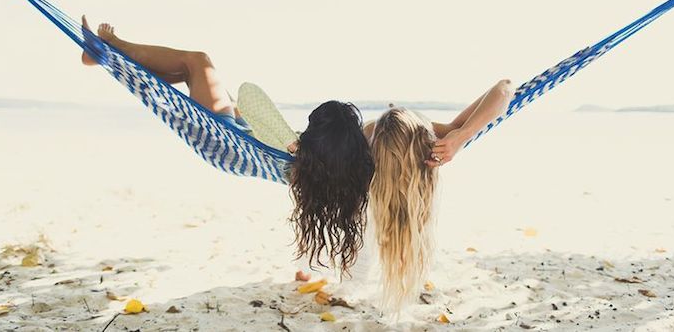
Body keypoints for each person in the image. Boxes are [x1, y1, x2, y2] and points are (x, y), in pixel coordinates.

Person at [80, 17, 374, 279]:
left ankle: (110, 48)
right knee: (192, 77)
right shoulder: (324, 168)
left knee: (197, 62)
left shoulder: (294, 152)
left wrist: (290, 141)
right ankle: (108, 57)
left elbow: (249, 92)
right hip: (231, 140)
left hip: (218, 137)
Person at [363, 79, 515, 310]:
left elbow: (505, 89)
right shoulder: (435, 145)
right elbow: (505, 88)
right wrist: (462, 134)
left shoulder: (367, 143)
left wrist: (461, 134)